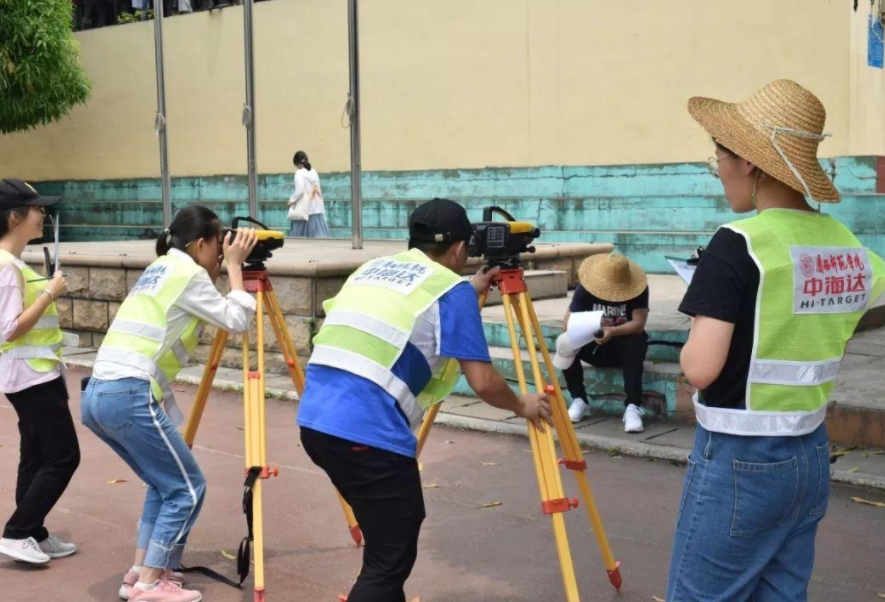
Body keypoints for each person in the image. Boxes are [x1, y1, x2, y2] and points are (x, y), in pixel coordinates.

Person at [667, 79, 885, 602]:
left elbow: (699, 369)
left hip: (740, 456)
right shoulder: (846, 243)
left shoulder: (737, 244)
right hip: (809, 454)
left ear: (748, 161)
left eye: (718, 155)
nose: (717, 168)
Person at [297, 198, 551, 602]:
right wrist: (523, 404)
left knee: (387, 542)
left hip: (316, 422)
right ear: (459, 249)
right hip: (367, 433)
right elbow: (483, 382)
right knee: (387, 561)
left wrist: (468, 291)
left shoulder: (373, 269)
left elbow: (412, 306)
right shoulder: (451, 292)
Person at [80, 206, 258, 602]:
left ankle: (139, 574)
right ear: (199, 245)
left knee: (163, 486)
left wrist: (224, 263)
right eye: (217, 246)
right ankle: (150, 584)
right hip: (127, 393)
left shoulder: (160, 268)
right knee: (187, 488)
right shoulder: (190, 274)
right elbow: (238, 319)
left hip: (97, 394)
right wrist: (235, 269)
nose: (219, 253)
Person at [0, 179, 80, 565]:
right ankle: (17, 532)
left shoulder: (13, 263)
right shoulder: (4, 266)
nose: (43, 215)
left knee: (34, 455)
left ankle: (32, 531)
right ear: (14, 217)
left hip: (36, 372)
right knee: (64, 456)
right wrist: (51, 292)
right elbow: (8, 328)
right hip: (30, 375)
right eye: (36, 209)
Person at [559, 253, 650, 433]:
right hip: (593, 345)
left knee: (636, 341)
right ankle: (579, 399)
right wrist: (594, 325)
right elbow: (567, 324)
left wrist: (614, 331)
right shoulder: (585, 289)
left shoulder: (638, 289)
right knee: (565, 342)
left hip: (622, 348)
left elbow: (639, 324)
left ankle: (633, 406)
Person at [288, 150, 331, 238]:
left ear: (297, 163)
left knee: (300, 236)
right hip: (316, 208)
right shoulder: (313, 171)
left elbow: (299, 191)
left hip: (305, 208)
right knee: (318, 237)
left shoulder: (299, 173)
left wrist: (291, 200)